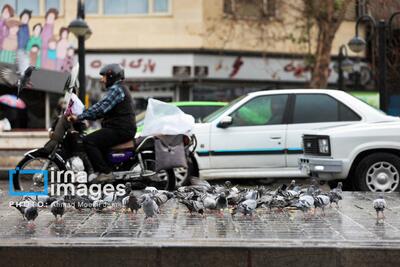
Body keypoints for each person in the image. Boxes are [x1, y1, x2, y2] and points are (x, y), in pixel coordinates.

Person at [68, 64, 137, 182]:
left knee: (88, 141)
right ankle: (106, 169)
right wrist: (83, 112)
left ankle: (105, 172)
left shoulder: (117, 89)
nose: (102, 79)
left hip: (121, 129)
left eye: (104, 76)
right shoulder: (117, 89)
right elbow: (100, 106)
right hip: (120, 128)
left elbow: (101, 109)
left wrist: (80, 117)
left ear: (111, 76)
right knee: (98, 140)